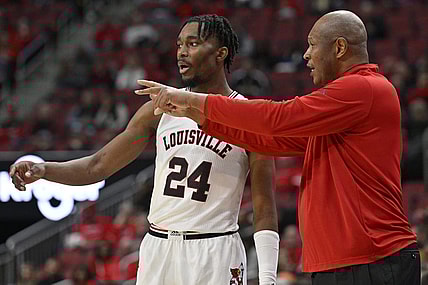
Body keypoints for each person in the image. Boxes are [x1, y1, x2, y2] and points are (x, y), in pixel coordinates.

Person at [136, 10, 421, 285]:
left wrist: (194, 102)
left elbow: (277, 120)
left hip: (371, 259)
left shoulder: (362, 88)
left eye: (311, 45)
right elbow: (271, 140)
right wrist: (198, 117)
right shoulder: (344, 107)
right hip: (349, 262)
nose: (306, 55)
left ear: (340, 48)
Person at [9, 15, 279, 285]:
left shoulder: (248, 117)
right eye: (179, 44)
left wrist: (268, 277)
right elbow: (98, 166)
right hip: (158, 248)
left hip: (214, 250)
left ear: (221, 54)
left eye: (193, 44)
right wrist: (44, 170)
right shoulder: (158, 110)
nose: (182, 52)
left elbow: (264, 206)